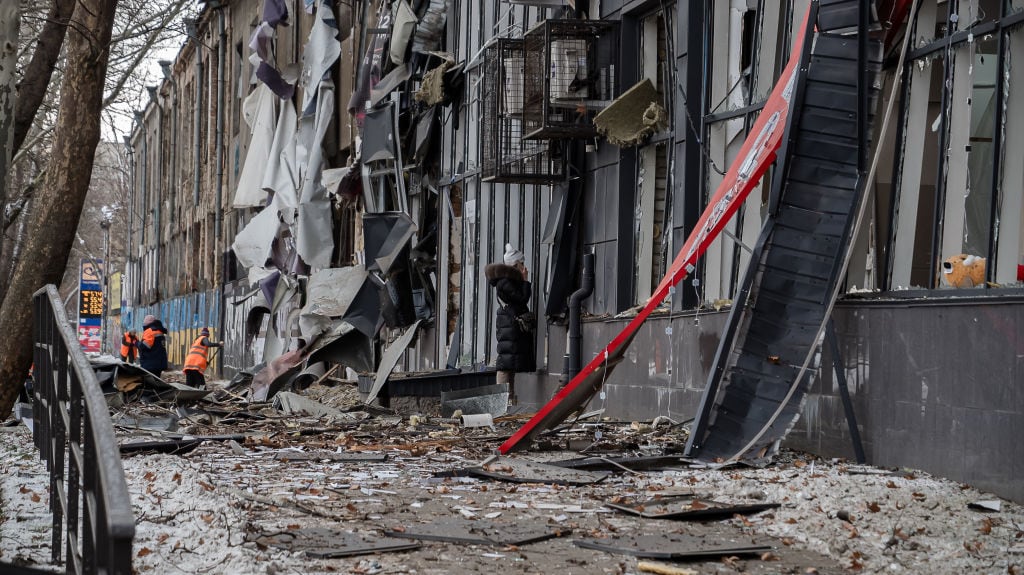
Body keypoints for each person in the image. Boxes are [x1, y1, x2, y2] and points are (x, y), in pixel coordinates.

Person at [485, 243, 536, 405]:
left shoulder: (505, 281)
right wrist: (526, 281)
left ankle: (508, 400)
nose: (524, 266)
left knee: (509, 364)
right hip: (510, 326)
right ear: (517, 264)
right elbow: (522, 299)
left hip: (509, 324)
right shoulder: (506, 282)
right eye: (522, 263)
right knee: (506, 364)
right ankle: (502, 401)